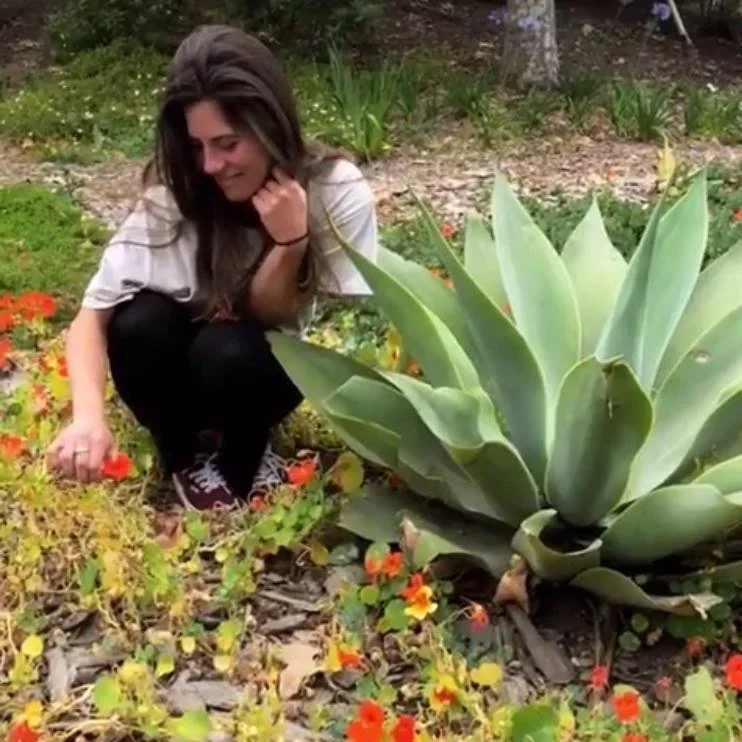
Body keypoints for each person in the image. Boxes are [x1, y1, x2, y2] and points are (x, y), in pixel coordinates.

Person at [46, 24, 378, 510]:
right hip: (177, 375)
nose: (210, 165)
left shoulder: (334, 190)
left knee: (230, 350)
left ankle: (243, 457)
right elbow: (90, 318)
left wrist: (290, 242)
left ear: (271, 126)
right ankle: (182, 458)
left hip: (254, 369)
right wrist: (88, 418)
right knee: (137, 322)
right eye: (197, 146)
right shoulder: (172, 202)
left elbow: (273, 316)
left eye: (227, 144)